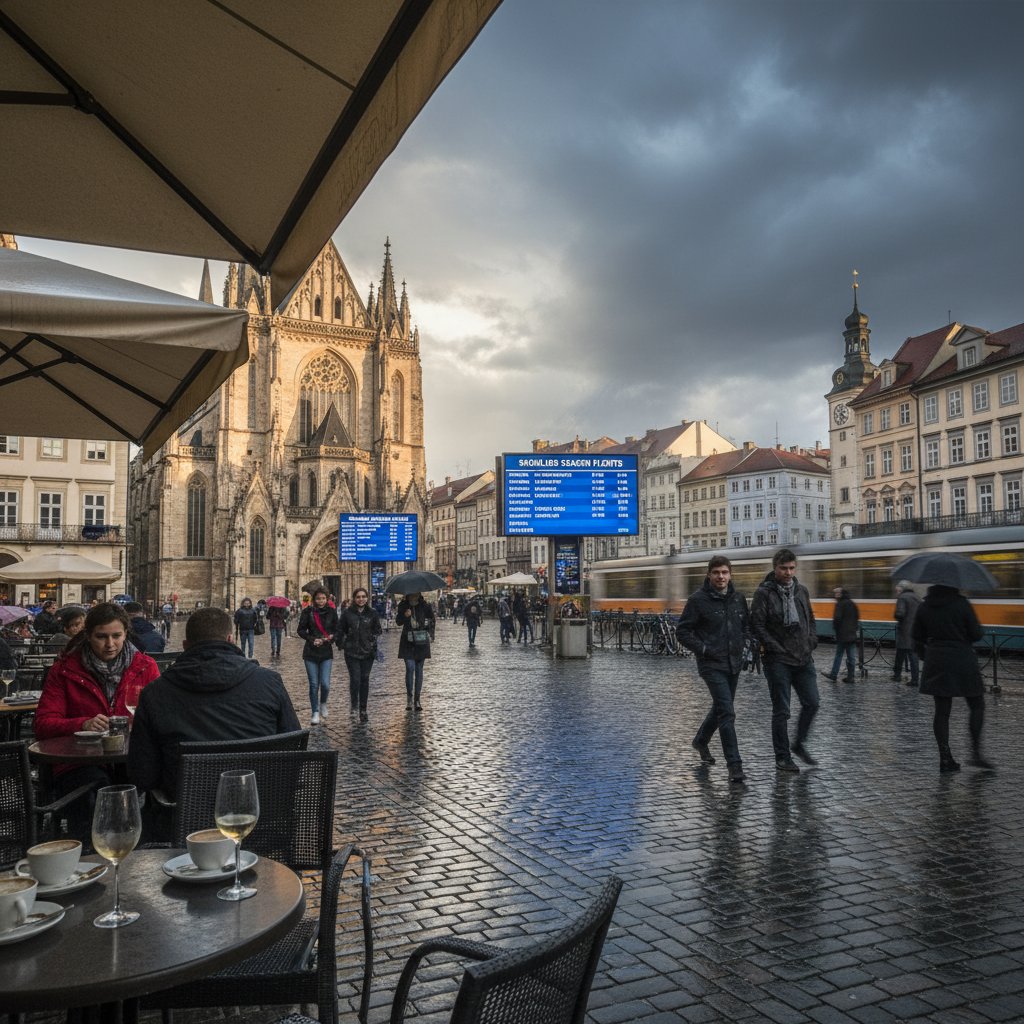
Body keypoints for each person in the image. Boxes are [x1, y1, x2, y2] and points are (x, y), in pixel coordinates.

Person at [128, 607, 300, 799]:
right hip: (261, 811)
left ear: (185, 645)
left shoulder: (154, 693)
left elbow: (142, 775)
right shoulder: (270, 682)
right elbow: (295, 749)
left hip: (183, 819)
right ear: (230, 640)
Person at [35, 603, 160, 837]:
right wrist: (82, 723)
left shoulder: (145, 666)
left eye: (116, 636)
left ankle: (134, 849)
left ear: (126, 634)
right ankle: (90, 851)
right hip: (79, 762)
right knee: (95, 791)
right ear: (88, 635)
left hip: (129, 759)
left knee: (141, 788)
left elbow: (160, 716)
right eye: (101, 637)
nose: (110, 644)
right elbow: (43, 724)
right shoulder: (64, 670)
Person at [676, 555, 752, 783]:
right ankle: (734, 765)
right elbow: (683, 632)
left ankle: (701, 740)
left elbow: (745, 627)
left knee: (720, 708)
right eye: (716, 573)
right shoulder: (698, 600)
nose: (721, 577)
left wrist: (747, 646)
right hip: (711, 664)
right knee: (727, 713)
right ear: (709, 574)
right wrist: (704, 649)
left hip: (734, 663)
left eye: (725, 572)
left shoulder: (738, 599)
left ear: (730, 574)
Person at [750, 548, 819, 772]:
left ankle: (798, 743)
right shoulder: (764, 593)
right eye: (783, 568)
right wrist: (774, 647)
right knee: (782, 710)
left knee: (812, 702)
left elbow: (810, 617)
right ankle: (782, 756)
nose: (788, 572)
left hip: (803, 657)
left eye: (791, 568)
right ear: (775, 568)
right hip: (778, 659)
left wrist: (811, 641)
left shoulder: (802, 591)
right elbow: (757, 625)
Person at [913, 584, 992, 773]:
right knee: (976, 704)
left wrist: (927, 655)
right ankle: (976, 753)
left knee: (941, 711)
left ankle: (945, 758)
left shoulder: (924, 606)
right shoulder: (961, 603)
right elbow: (976, 634)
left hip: (936, 659)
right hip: (962, 659)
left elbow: (916, 637)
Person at [335, 587, 383, 723]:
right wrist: (342, 643)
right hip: (351, 651)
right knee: (355, 679)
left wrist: (372, 640)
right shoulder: (347, 613)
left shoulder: (372, 613)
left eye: (363, 596)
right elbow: (340, 630)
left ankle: (363, 709)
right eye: (358, 597)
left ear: (367, 598)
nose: (361, 599)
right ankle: (354, 703)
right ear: (354, 598)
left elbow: (378, 630)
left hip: (368, 652)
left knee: (365, 679)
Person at [297, 587, 338, 725]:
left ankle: (323, 703)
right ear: (314, 599)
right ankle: (314, 712)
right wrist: (311, 639)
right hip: (310, 652)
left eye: (323, 598)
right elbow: (300, 630)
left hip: (326, 651)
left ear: (327, 599)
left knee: (325, 684)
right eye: (318, 598)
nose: (321, 601)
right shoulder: (307, 612)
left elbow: (337, 630)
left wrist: (330, 638)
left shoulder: (332, 612)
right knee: (314, 684)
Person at [396, 591, 435, 710]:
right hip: (407, 641)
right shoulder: (403, 606)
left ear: (419, 594)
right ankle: (409, 697)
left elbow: (432, 620)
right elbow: (398, 622)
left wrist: (430, 634)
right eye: (411, 594)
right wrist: (404, 616)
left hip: (421, 641)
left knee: (419, 669)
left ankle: (417, 699)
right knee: (410, 667)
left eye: (416, 594)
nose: (414, 596)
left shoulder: (425, 606)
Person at [823, 587, 858, 683]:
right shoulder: (852, 604)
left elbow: (837, 619)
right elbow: (857, 618)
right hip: (852, 634)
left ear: (841, 594)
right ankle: (851, 677)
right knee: (851, 656)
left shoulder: (840, 604)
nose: (835, 595)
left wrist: (836, 630)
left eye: (837, 593)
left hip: (842, 635)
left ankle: (833, 674)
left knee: (839, 655)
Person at [893, 580, 921, 686]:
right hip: (915, 631)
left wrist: (896, 615)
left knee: (900, 655)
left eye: (898, 590)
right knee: (913, 656)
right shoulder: (917, 598)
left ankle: (897, 675)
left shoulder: (903, 598)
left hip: (904, 631)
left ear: (902, 589)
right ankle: (915, 679)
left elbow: (900, 613)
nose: (897, 593)